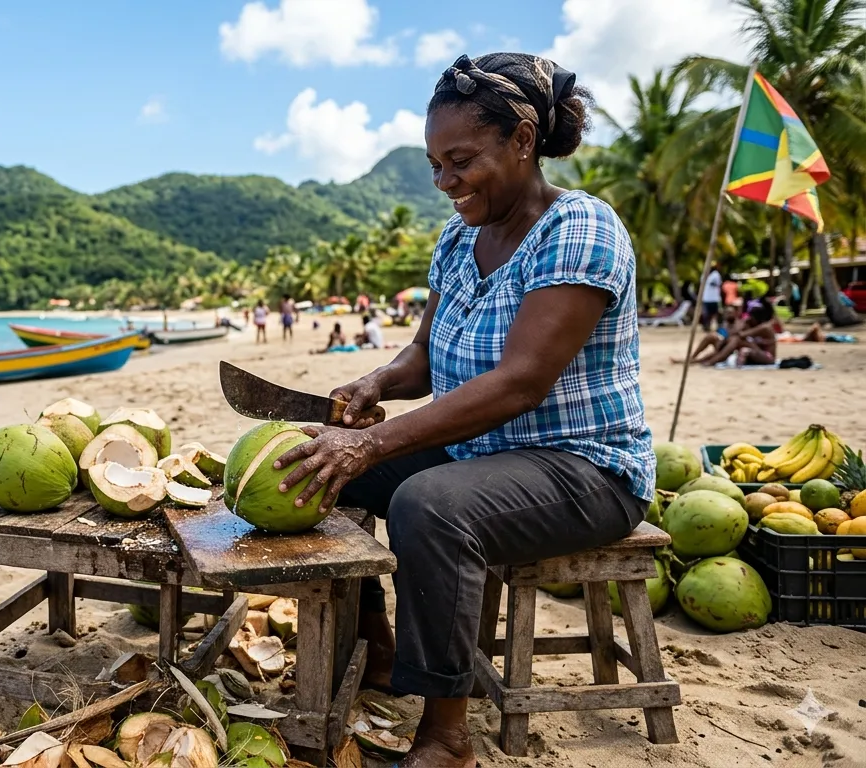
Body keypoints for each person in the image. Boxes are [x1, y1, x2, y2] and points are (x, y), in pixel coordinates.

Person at [272, 53, 651, 768]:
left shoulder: (580, 227)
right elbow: (424, 355)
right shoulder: (458, 237)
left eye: (461, 161)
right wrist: (376, 384)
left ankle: (446, 737)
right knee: (312, 463)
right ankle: (377, 646)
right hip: (482, 452)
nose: (444, 181)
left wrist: (373, 444)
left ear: (523, 140)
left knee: (430, 507)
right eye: (434, 165)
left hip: (585, 469)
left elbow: (519, 384)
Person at [700, 263, 723, 331]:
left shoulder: (716, 274)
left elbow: (718, 283)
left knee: (717, 313)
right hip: (706, 298)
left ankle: (719, 327)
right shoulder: (704, 275)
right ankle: (706, 326)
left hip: (714, 298)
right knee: (706, 314)